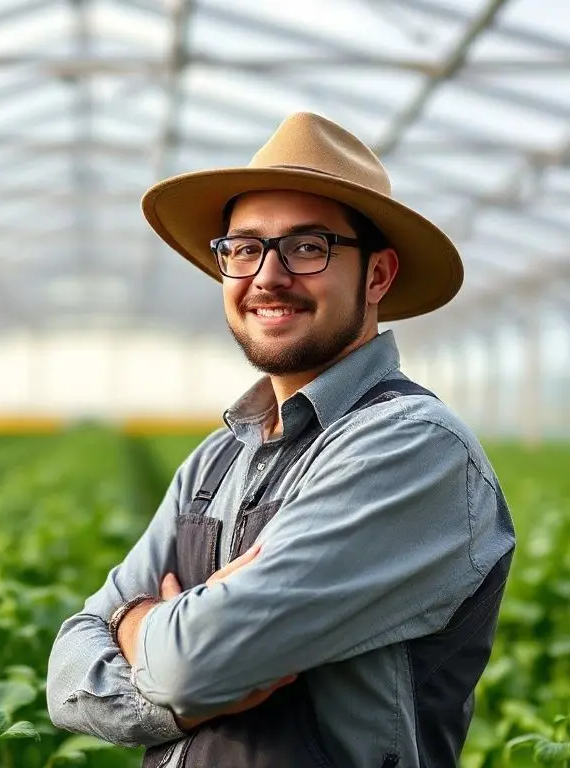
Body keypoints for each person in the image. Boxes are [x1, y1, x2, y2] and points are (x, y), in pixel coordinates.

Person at [46, 112, 516, 767]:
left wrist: (134, 622)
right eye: (243, 249)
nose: (267, 277)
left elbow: (190, 664)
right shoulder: (215, 459)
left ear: (377, 276)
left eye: (307, 246)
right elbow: (66, 677)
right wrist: (178, 655)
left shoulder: (415, 449)